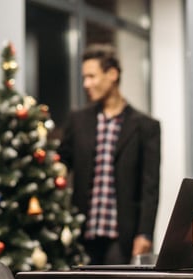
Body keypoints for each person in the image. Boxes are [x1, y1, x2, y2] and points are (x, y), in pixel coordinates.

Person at [58, 43, 161, 265]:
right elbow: (60, 163)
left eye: (92, 76)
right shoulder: (77, 121)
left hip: (120, 234)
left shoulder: (146, 127)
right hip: (82, 230)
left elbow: (150, 186)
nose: (86, 84)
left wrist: (145, 233)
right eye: (84, 78)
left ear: (112, 74)